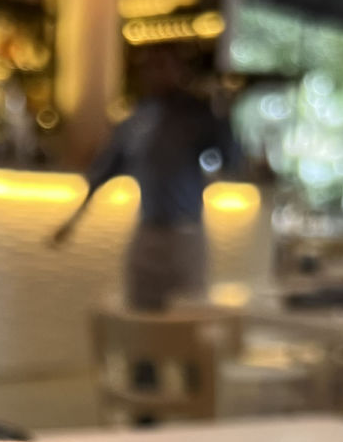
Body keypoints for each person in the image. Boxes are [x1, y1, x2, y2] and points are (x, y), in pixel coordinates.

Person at [51, 46, 239, 311]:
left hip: (185, 233)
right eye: (149, 67)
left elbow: (231, 160)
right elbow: (104, 171)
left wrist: (227, 114)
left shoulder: (198, 114)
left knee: (188, 320)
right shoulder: (136, 118)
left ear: (179, 70)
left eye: (163, 65)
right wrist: (72, 220)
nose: (155, 73)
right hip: (146, 232)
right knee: (140, 317)